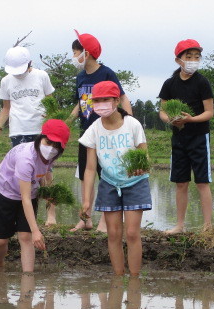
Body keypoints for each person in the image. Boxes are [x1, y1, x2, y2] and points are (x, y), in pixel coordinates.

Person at [79, 81, 151, 277]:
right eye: (97, 101)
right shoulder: (94, 129)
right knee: (113, 234)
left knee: (132, 233)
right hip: (109, 184)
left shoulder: (132, 124)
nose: (101, 104)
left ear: (116, 100)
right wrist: (86, 200)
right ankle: (118, 279)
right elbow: (90, 168)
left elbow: (144, 155)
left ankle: (134, 279)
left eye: (105, 100)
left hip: (135, 183)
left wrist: (140, 167)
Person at [69, 30, 133, 232]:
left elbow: (122, 97)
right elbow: (81, 103)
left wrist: (129, 123)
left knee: (107, 176)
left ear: (86, 53)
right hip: (87, 133)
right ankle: (85, 218)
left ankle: (105, 221)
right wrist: (67, 121)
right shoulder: (80, 77)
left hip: (107, 132)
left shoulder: (106, 73)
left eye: (75, 52)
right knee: (84, 176)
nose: (73, 57)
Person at [0, 119, 70, 273]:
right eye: (49, 142)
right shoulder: (25, 159)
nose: (52, 148)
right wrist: (36, 231)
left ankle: (28, 280)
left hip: (29, 190)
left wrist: (49, 196)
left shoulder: (51, 155)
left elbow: (46, 176)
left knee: (25, 238)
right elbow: (24, 198)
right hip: (6, 191)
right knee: (1, 240)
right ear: (41, 137)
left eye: (57, 145)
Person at [0, 46, 57, 225]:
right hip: (18, 131)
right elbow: (6, 108)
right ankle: (24, 215)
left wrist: (51, 119)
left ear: (29, 63)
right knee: (22, 173)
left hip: (40, 130)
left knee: (46, 173)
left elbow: (52, 103)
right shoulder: (6, 81)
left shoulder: (41, 76)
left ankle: (51, 214)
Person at [158, 39, 214, 234]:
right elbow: (162, 112)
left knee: (202, 182)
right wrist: (170, 120)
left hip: (199, 136)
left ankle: (208, 226)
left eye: (197, 57)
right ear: (178, 60)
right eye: (188, 57)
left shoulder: (202, 82)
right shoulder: (169, 84)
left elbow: (209, 112)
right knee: (181, 182)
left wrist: (191, 119)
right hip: (179, 138)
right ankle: (180, 225)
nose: (193, 60)